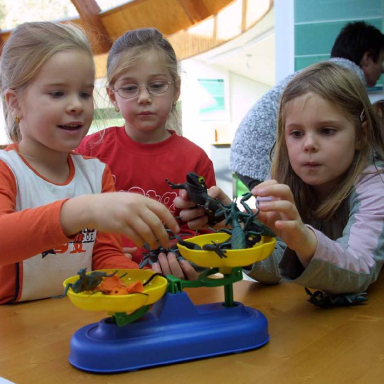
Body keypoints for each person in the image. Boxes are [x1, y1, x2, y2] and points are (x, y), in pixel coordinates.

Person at [0, 22, 180, 304]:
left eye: (84, 93)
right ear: (15, 103)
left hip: (73, 325)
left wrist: (147, 289)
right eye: (58, 93)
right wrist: (80, 211)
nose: (76, 105)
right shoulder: (5, 169)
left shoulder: (97, 174)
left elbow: (105, 256)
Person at [175, 62, 384, 296]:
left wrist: (304, 241)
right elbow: (275, 268)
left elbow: (361, 270)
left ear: (361, 135)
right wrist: (233, 223)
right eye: (296, 133)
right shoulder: (282, 180)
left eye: (327, 130)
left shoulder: (375, 186)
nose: (309, 144)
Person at [77, 28, 216, 279]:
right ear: (112, 96)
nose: (144, 97)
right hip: (106, 283)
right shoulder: (88, 151)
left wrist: (182, 261)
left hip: (174, 283)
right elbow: (70, 221)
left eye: (157, 86)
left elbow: (206, 232)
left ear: (176, 90)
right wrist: (102, 257)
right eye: (130, 88)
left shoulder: (195, 159)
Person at [231, 21, 384, 190]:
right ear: (367, 58)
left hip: (246, 155)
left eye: (327, 131)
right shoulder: (346, 79)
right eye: (382, 61)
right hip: (260, 161)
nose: (382, 70)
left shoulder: (320, 75)